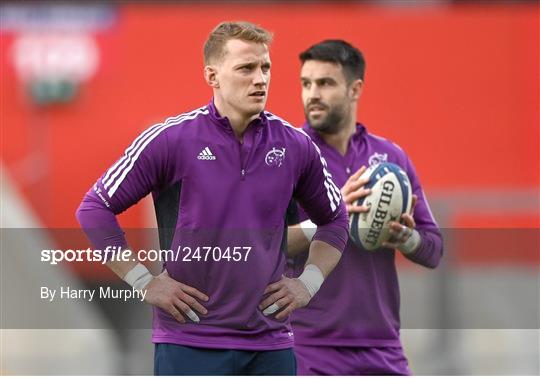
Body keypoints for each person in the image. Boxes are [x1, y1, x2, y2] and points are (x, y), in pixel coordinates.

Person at [76, 23, 349, 375]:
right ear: (213, 76)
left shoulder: (296, 147)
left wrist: (307, 284)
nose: (260, 79)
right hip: (189, 344)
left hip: (270, 347)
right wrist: (144, 283)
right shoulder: (171, 140)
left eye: (265, 67)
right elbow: (94, 209)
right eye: (246, 68)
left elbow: (336, 220)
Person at [287, 40, 444, 375]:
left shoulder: (392, 159)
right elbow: (263, 243)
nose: (312, 93)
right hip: (309, 349)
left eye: (325, 83)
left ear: (354, 89)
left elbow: (433, 249)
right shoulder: (287, 157)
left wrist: (407, 239)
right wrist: (331, 215)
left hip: (382, 349)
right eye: (306, 83)